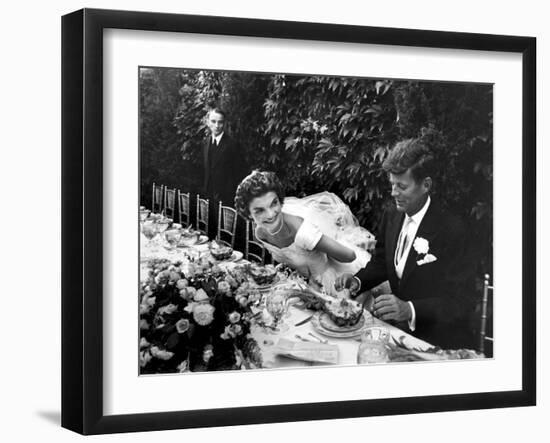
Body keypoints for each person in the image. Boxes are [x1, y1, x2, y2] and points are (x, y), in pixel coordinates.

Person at [335, 138, 476, 349]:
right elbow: (382, 261)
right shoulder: (391, 215)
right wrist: (358, 281)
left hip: (439, 341)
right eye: (392, 184)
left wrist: (410, 309)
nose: (393, 193)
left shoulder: (453, 230)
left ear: (426, 185)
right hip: (399, 333)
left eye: (401, 186)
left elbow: (461, 302)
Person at [234, 170, 375, 293]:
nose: (270, 214)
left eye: (274, 203)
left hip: (337, 284)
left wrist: (322, 247)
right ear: (248, 214)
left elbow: (349, 256)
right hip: (307, 286)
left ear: (281, 201)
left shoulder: (302, 232)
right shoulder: (260, 233)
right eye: (259, 211)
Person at [201, 108, 248, 238]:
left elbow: (241, 172)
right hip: (209, 197)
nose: (217, 125)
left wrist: (232, 195)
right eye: (213, 121)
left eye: (220, 122)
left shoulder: (233, 145)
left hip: (227, 199)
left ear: (224, 123)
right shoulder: (205, 143)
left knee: (227, 237)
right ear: (208, 122)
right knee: (210, 235)